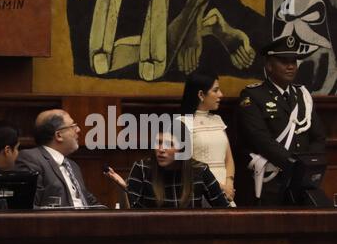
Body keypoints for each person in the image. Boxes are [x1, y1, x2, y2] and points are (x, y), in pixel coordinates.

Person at [237, 35, 326, 206]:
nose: (291, 66)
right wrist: (294, 165)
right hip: (271, 181)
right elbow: (259, 138)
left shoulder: (303, 96)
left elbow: (318, 136)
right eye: (284, 61)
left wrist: (309, 165)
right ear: (269, 65)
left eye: (293, 61)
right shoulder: (253, 96)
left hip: (301, 181)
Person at [105, 128, 229, 208]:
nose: (161, 149)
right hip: (151, 239)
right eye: (158, 142)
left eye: (169, 144)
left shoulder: (200, 170)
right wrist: (123, 190)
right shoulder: (142, 168)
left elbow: (225, 210)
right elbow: (128, 218)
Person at [15, 109, 100, 208]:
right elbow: (29, 207)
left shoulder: (73, 165)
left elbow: (88, 200)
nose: (78, 130)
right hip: (59, 222)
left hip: (86, 221)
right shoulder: (31, 159)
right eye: (73, 126)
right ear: (59, 135)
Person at [180, 72, 236, 206]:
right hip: (200, 191)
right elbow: (186, 165)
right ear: (200, 95)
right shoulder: (182, 123)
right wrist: (219, 187)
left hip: (226, 194)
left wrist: (229, 184)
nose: (220, 95)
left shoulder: (218, 120)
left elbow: (229, 159)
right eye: (215, 90)